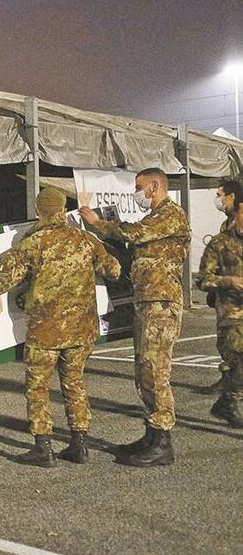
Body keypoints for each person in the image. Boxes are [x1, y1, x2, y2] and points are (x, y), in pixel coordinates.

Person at [0, 188, 120, 466]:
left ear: (39, 211)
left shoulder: (33, 244)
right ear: (62, 209)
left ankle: (43, 448)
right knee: (75, 384)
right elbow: (115, 270)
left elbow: (0, 282)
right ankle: (79, 444)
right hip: (82, 330)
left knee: (38, 387)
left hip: (46, 331)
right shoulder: (86, 241)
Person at [79, 167, 190, 467]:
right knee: (143, 372)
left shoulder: (170, 214)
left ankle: (163, 442)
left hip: (161, 304)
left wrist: (97, 223)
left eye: (140, 187)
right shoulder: (154, 217)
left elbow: (133, 233)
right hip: (147, 302)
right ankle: (152, 435)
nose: (137, 193)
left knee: (156, 372)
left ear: (155, 186)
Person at [197, 201, 243, 428]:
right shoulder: (220, 243)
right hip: (232, 317)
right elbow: (203, 279)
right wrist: (229, 281)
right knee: (240, 361)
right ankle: (229, 401)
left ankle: (227, 401)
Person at [202, 178, 243, 393]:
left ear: (231, 197)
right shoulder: (225, 225)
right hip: (226, 296)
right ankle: (229, 377)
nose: (217, 200)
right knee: (225, 340)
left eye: (219, 195)